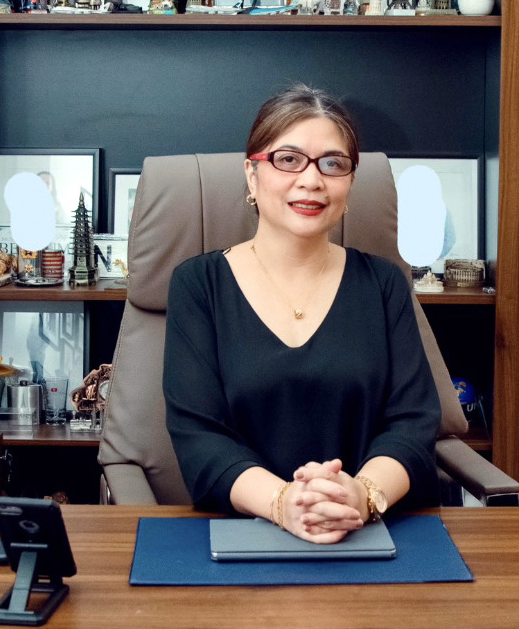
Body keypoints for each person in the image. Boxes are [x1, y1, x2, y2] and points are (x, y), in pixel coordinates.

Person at [164, 85, 439, 544]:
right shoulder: (199, 285)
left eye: (333, 164)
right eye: (288, 159)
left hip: (375, 534)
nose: (312, 181)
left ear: (349, 184)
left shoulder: (384, 283)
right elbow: (199, 435)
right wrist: (284, 503)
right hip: (242, 534)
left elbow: (412, 422)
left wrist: (362, 496)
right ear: (252, 175)